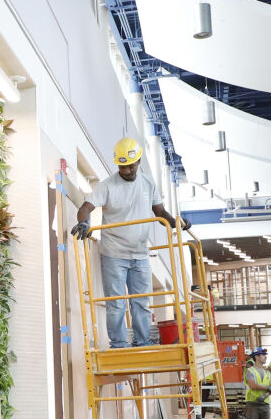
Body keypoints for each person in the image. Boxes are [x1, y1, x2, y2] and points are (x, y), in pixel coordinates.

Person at [72, 138, 188, 348]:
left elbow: (159, 211)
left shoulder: (148, 184)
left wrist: (175, 223)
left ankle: (142, 342)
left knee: (141, 301)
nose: (126, 170)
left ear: (139, 161)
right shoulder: (107, 186)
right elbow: (86, 207)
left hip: (141, 253)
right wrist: (83, 222)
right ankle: (118, 344)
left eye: (130, 166)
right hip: (114, 254)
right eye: (122, 166)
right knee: (116, 303)